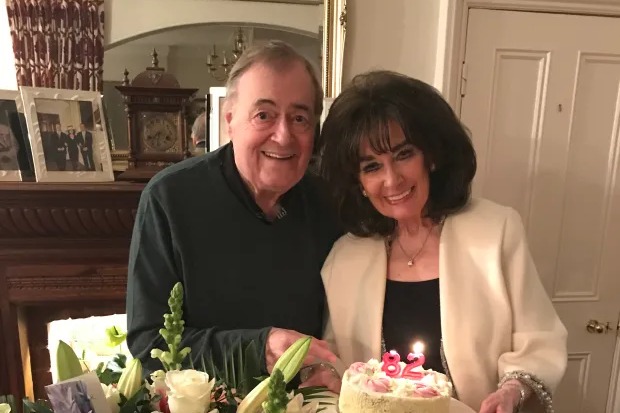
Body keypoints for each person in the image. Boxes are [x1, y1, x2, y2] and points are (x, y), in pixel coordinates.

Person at [316, 71, 567, 412]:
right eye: (372, 166)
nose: (392, 180)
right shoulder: (344, 259)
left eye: (404, 155)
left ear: (431, 156)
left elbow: (538, 341)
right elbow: (341, 365)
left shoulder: (494, 232)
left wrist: (513, 390)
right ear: (357, 181)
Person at [126, 40, 342, 389]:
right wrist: (260, 349)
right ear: (230, 120)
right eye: (264, 115)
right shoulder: (170, 198)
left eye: (299, 118)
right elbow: (149, 347)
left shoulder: (329, 203)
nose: (283, 135)